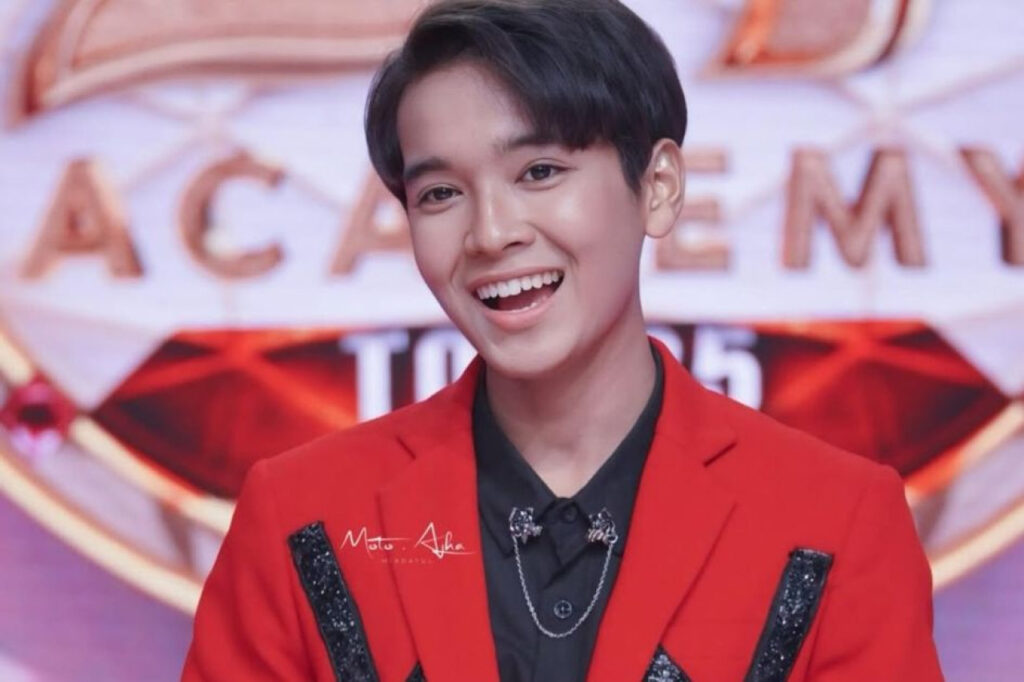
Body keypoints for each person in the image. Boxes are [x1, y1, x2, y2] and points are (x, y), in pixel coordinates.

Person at [180, 1, 945, 680]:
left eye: (540, 171)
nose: (491, 233)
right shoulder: (304, 516)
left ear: (658, 187)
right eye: (440, 193)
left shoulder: (835, 520)